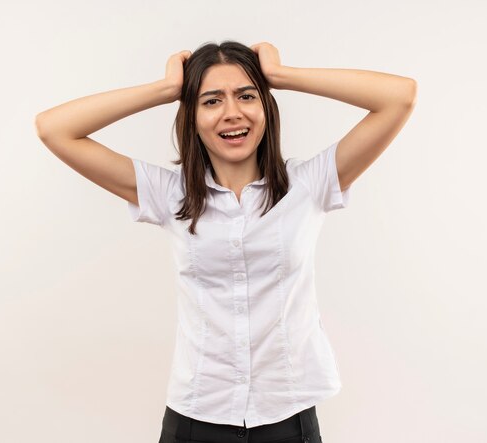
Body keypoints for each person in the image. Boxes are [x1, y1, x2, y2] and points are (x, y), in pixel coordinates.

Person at [35, 40, 417, 443]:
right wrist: (166, 89)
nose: (232, 113)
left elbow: (399, 98)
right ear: (193, 117)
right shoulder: (170, 195)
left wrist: (282, 75)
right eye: (211, 100)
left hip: (288, 418)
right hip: (195, 417)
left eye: (246, 95)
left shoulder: (309, 185)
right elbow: (54, 129)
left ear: (266, 108)